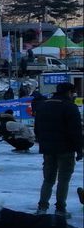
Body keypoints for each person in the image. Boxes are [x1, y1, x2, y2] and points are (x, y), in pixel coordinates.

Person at [34, 82, 83, 217]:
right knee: (63, 179)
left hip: (47, 149)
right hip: (66, 149)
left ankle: (42, 207)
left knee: (48, 179)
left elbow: (37, 128)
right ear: (68, 92)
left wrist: (43, 143)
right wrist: (79, 149)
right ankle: (60, 208)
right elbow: (76, 131)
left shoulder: (43, 106)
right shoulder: (70, 107)